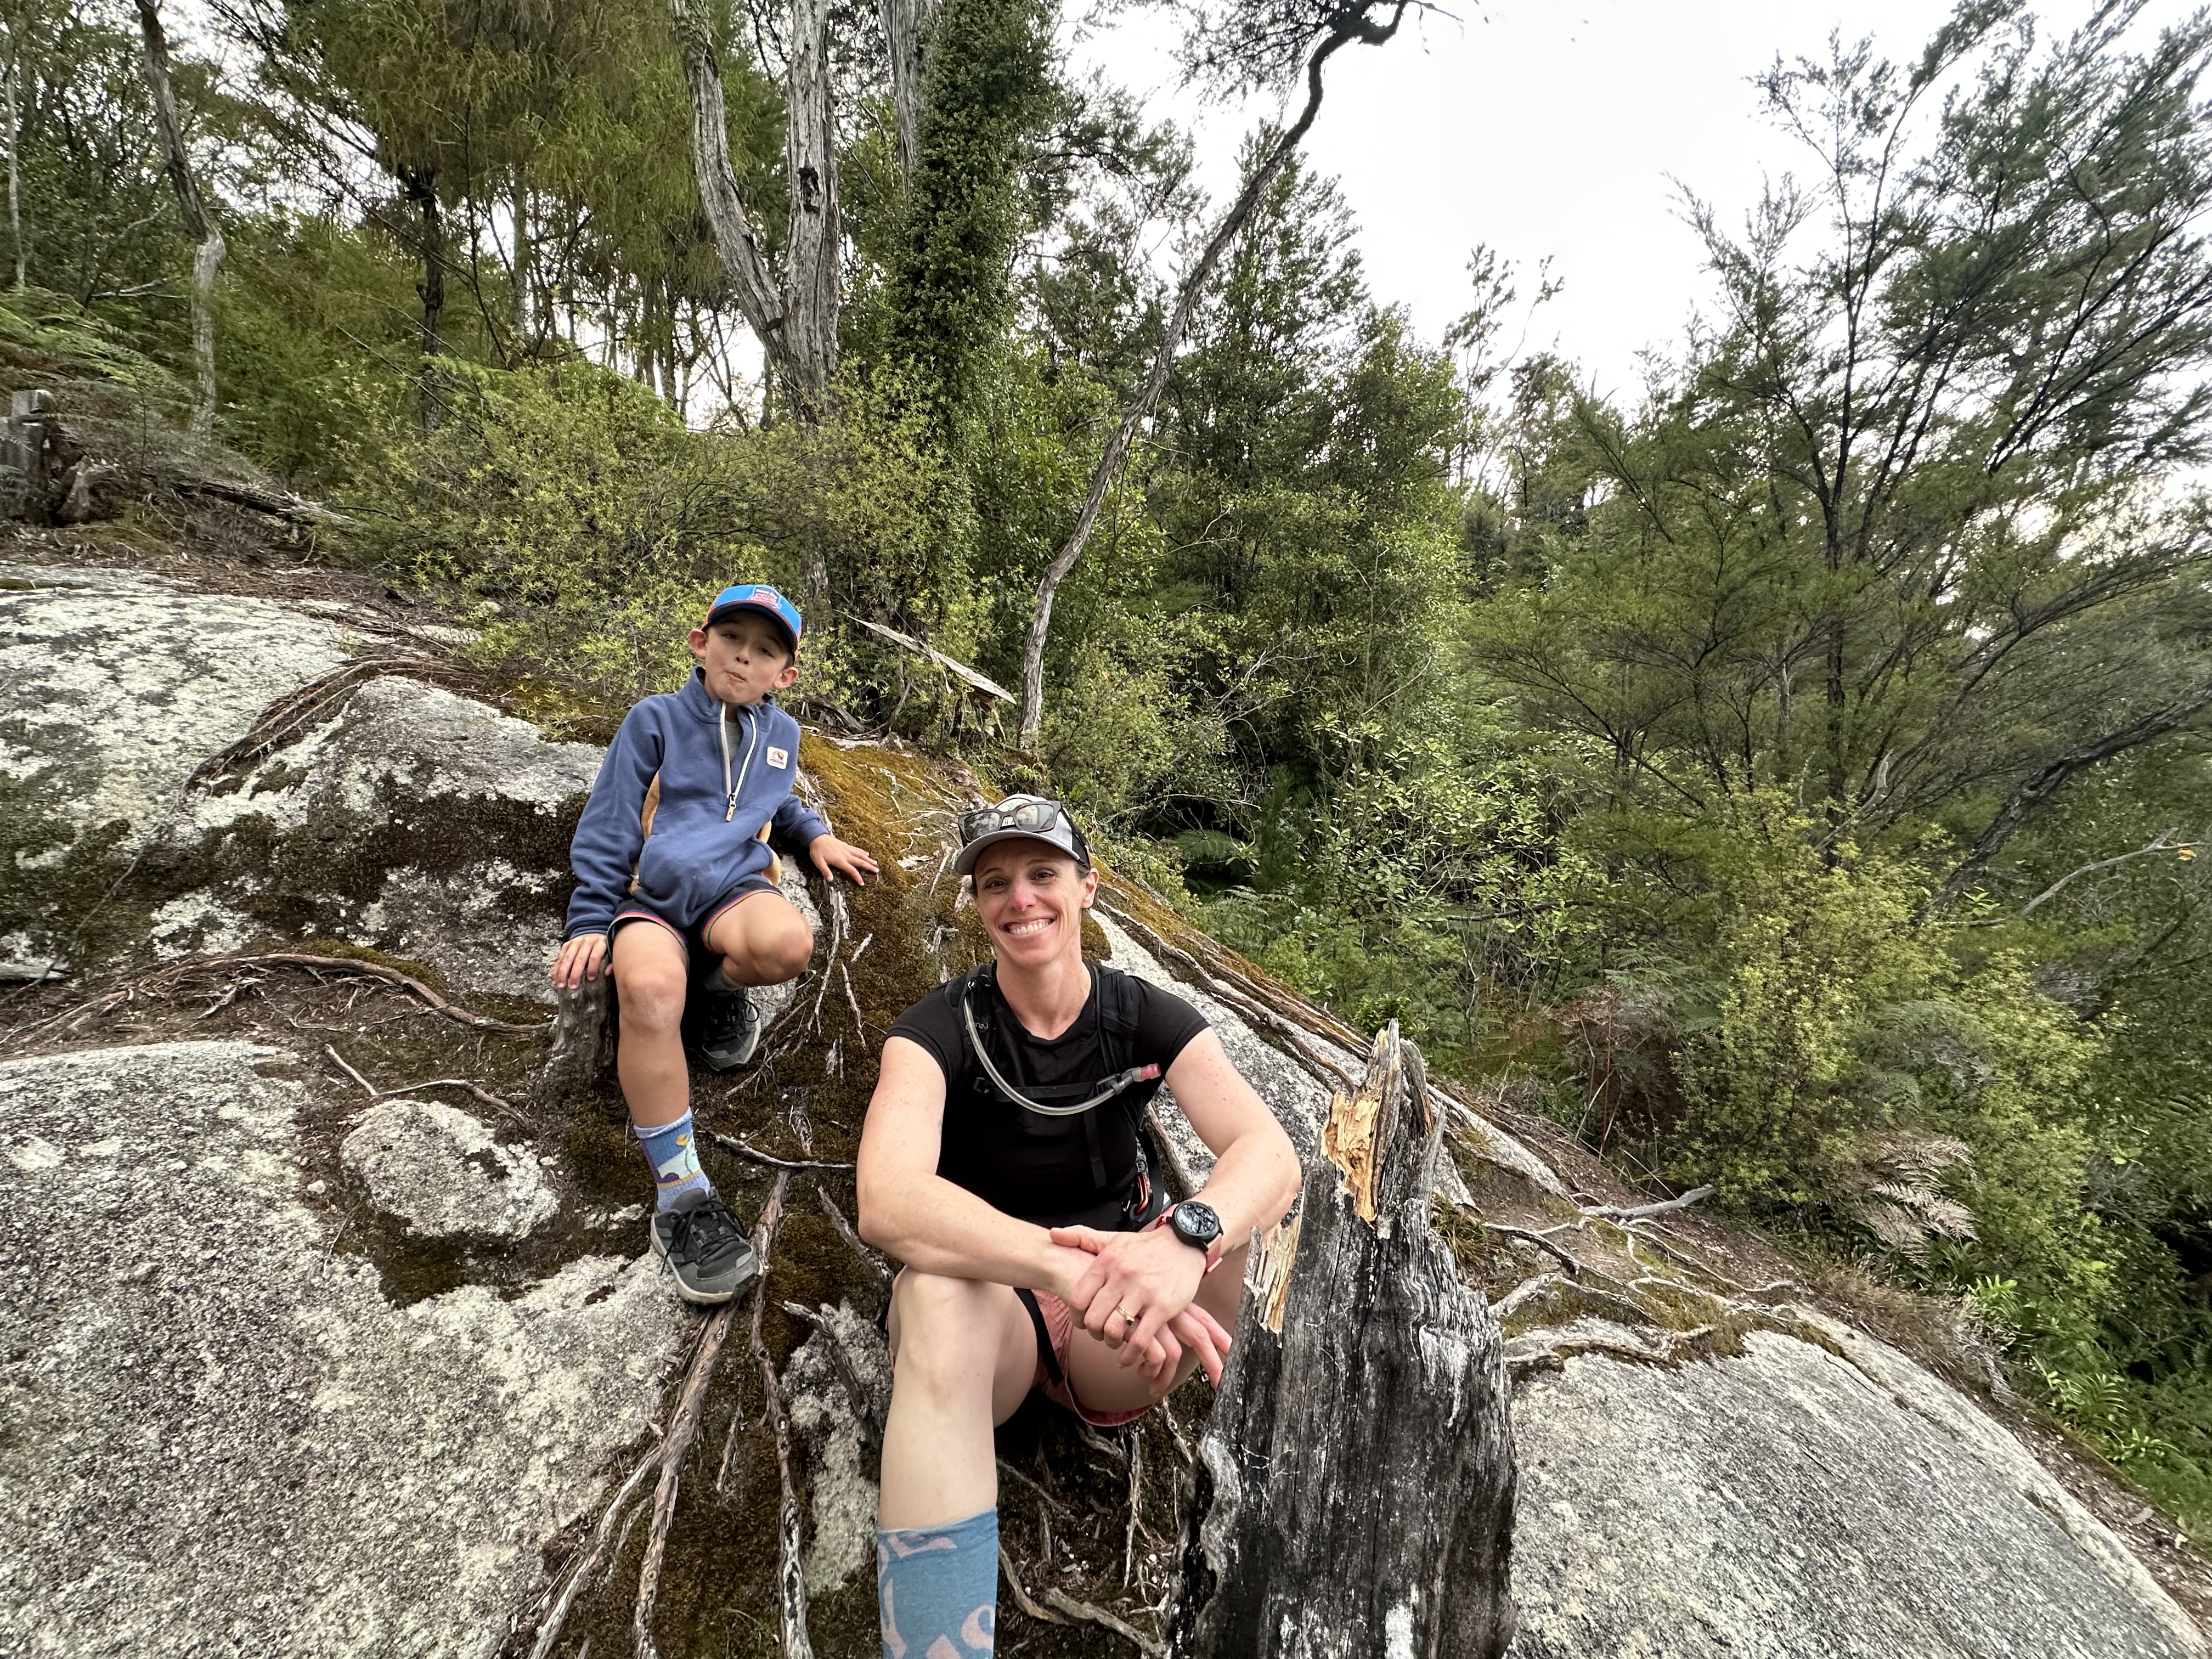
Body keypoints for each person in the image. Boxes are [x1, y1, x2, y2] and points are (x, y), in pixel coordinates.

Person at [857, 794, 1300, 1658]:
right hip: (992, 1322)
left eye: (1043, 874)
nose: (1021, 898)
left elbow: (1271, 1154)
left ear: (1088, 888)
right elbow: (887, 1197)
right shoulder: (936, 1030)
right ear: (978, 904)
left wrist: (1183, 1240)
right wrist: (1062, 1266)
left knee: (1246, 1223)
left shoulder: (1142, 1015)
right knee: (939, 1294)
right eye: (996, 883)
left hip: (1122, 1334)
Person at [551, 583, 879, 1305]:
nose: (744, 657)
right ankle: (681, 1194)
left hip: (731, 890)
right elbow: (611, 818)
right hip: (652, 902)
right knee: (647, 990)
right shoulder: (656, 719)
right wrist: (589, 920)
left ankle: (710, 996)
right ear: (701, 643)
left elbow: (775, 796)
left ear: (784, 675)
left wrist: (814, 834)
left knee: (788, 943)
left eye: (765, 651)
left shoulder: (782, 734)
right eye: (732, 638)